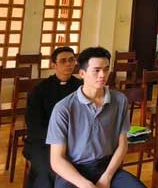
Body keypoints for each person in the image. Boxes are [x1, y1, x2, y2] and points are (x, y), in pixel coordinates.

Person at [47, 47, 146, 188]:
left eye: (106, 69)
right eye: (96, 70)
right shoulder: (63, 108)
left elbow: (123, 144)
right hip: (74, 171)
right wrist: (85, 184)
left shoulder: (119, 100)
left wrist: (107, 177)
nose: (102, 75)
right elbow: (57, 160)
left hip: (107, 167)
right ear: (82, 73)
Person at [24, 46, 82, 188]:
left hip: (76, 141)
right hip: (44, 142)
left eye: (71, 60)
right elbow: (34, 126)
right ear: (53, 65)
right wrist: (59, 140)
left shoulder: (81, 88)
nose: (68, 64)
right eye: (63, 61)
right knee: (48, 169)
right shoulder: (40, 90)